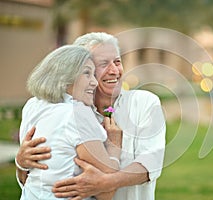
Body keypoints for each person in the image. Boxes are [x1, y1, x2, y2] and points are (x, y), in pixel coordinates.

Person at [15, 32, 166, 200]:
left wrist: (107, 182)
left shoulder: (144, 103)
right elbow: (33, 179)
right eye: (103, 64)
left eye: (117, 62)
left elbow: (151, 163)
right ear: (75, 70)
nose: (114, 71)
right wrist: (20, 163)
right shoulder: (42, 108)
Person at [17, 44, 122, 200]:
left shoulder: (33, 106)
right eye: (87, 73)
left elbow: (26, 178)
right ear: (64, 77)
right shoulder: (77, 113)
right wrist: (114, 144)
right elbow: (107, 189)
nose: (94, 82)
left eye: (94, 74)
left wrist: (20, 163)